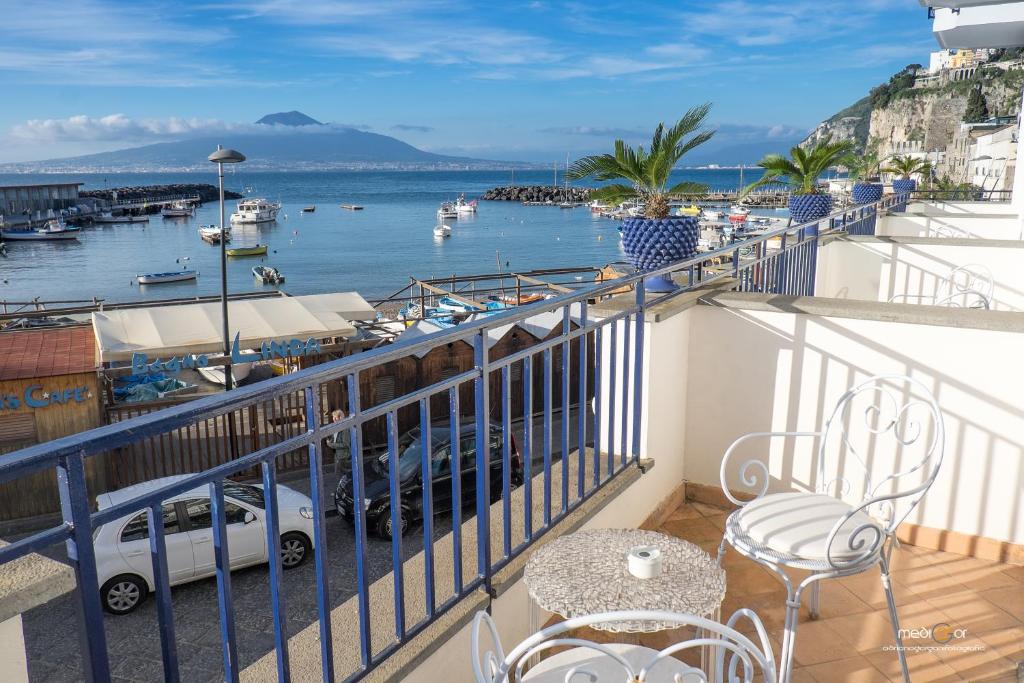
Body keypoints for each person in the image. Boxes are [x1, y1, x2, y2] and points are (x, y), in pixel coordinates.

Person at [329, 408, 352, 473]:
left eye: (335, 417)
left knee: (340, 474)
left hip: (343, 456)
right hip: (337, 455)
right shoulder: (336, 427)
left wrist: (332, 445)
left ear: (340, 417)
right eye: (333, 417)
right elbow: (335, 438)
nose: (334, 419)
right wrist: (330, 441)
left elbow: (345, 444)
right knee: (338, 473)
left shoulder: (345, 429)